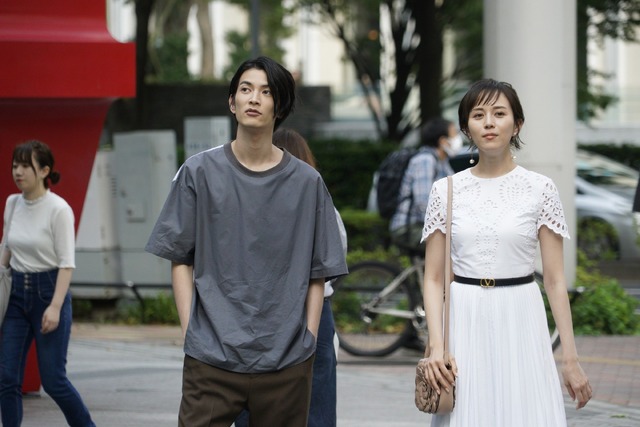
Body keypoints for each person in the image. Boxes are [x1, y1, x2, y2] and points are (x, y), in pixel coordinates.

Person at [145, 57, 348, 427]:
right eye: (245, 89)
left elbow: (318, 272)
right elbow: (179, 257)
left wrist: (308, 339)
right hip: (211, 358)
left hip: (286, 362)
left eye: (266, 92)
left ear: (280, 107)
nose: (254, 98)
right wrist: (191, 332)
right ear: (232, 101)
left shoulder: (307, 183)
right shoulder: (198, 172)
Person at [421, 79, 592, 426]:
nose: (489, 123)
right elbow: (434, 278)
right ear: (466, 127)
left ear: (517, 125)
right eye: (478, 115)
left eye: (499, 114)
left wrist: (571, 359)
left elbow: (555, 281)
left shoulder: (540, 189)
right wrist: (437, 346)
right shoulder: (446, 190)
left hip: (521, 314)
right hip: (464, 316)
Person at [234, 127, 347, 427]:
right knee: (316, 405)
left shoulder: (248, 204)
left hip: (254, 309)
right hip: (316, 309)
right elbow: (336, 259)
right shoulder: (321, 200)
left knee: (251, 398)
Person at [0, 140, 95, 427]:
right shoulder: (12, 203)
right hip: (16, 295)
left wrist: (55, 307)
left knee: (54, 380)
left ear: (44, 171)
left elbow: (67, 263)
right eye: (15, 166)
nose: (18, 172)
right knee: (6, 378)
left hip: (49, 292)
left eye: (25, 166)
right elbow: (7, 247)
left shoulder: (58, 209)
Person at [389, 118, 459, 253]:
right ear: (443, 141)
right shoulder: (425, 160)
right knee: (456, 247)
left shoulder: (442, 162)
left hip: (422, 225)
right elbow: (424, 204)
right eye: (454, 134)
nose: (458, 139)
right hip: (410, 227)